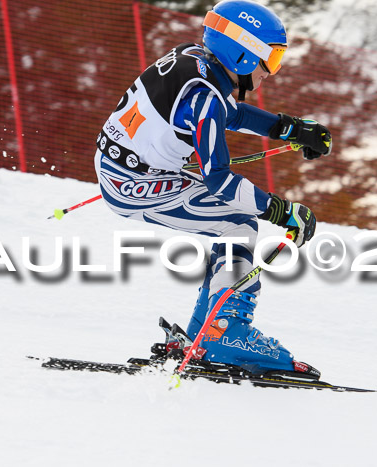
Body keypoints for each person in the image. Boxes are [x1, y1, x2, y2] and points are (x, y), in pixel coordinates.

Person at [94, 0, 332, 375]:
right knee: (238, 225)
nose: (272, 70)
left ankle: (206, 334)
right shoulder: (205, 95)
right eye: (269, 58)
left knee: (234, 225)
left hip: (125, 170)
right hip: (134, 184)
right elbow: (218, 178)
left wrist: (289, 128)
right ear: (242, 53)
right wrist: (280, 211)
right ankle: (226, 335)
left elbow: (227, 112)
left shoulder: (193, 60)